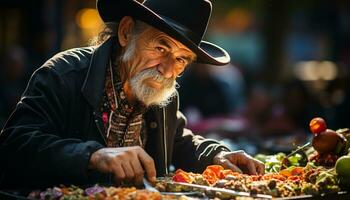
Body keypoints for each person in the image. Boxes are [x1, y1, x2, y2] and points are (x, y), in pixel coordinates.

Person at [0, 0, 264, 188]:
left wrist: (217, 155)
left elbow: (179, 141)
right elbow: (12, 147)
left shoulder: (159, 91)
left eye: (182, 59)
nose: (169, 70)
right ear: (126, 32)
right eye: (161, 47)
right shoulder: (63, 75)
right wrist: (92, 156)